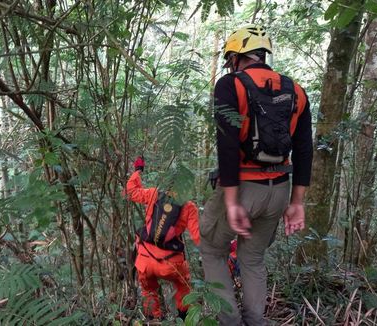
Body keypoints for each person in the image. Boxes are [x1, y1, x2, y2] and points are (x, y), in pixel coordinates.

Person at [199, 25, 313, 325]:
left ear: (236, 57)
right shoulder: (296, 91)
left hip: (243, 188)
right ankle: (255, 322)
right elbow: (304, 150)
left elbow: (226, 144)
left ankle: (230, 322)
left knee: (212, 249)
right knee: (253, 259)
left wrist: (233, 200)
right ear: (262, 55)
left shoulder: (230, 84)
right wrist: (297, 202)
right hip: (279, 191)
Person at [126, 156, 200, 321]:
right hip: (171, 263)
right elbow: (198, 239)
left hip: (145, 261)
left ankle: (154, 320)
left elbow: (130, 191)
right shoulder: (189, 207)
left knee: (148, 291)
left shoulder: (153, 194)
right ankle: (183, 319)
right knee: (184, 287)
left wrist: (138, 171)